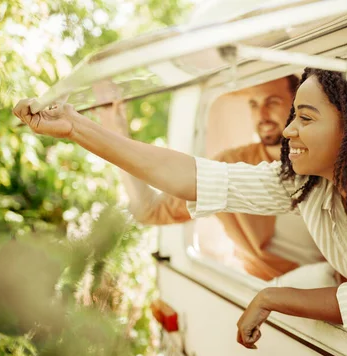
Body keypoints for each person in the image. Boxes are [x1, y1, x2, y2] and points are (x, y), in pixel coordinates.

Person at [13, 67, 347, 352]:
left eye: (302, 116)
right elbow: (186, 176)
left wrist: (270, 297)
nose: (288, 130)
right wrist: (77, 128)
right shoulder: (307, 178)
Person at [93, 77, 331, 285]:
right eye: (254, 105)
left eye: (273, 102)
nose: (262, 115)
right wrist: (115, 132)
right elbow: (151, 210)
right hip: (268, 290)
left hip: (336, 290)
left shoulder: (325, 161)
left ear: (297, 107)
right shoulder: (235, 164)